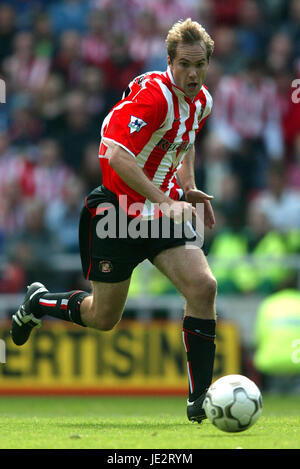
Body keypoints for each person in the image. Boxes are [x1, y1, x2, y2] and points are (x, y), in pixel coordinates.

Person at [11, 18, 217, 423]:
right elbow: (116, 154)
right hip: (117, 212)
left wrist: (187, 186)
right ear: (169, 62)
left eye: (200, 65)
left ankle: (201, 399)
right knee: (102, 318)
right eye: (184, 65)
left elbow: (185, 138)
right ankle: (39, 301)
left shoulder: (202, 100)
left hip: (159, 213)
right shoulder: (154, 96)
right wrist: (163, 198)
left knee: (203, 286)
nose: (192, 74)